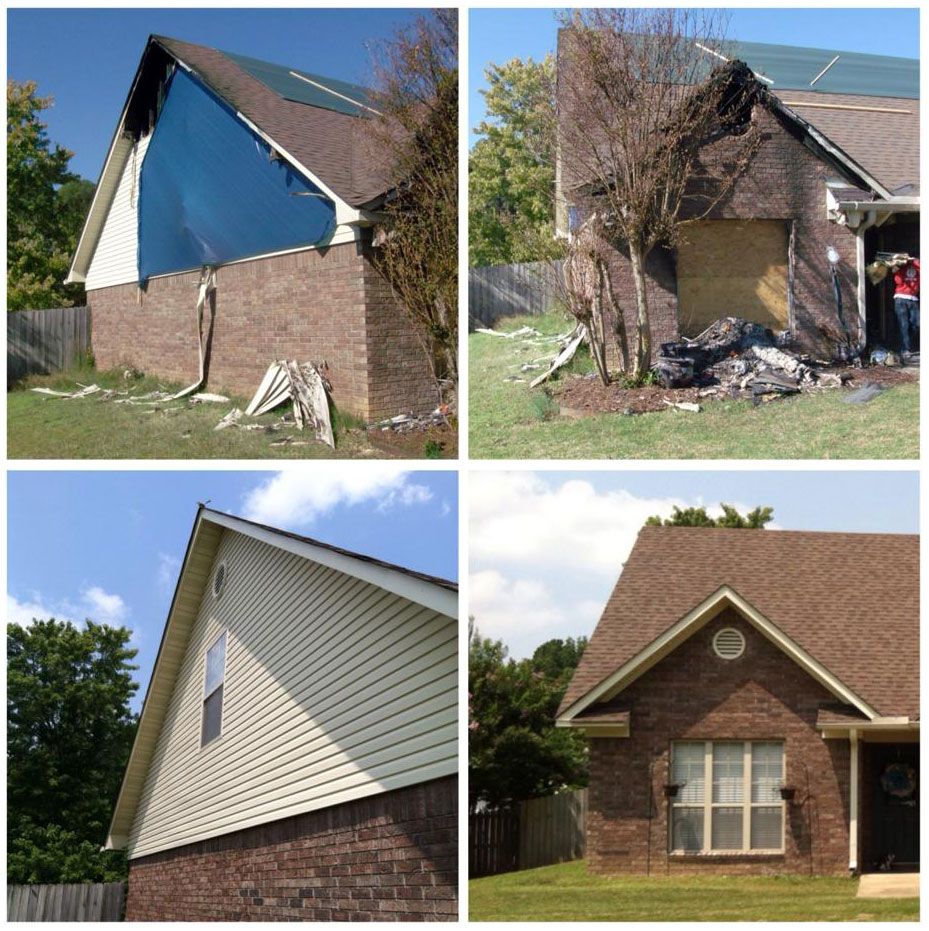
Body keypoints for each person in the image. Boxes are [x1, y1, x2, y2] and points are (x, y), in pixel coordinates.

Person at [893, 256, 919, 356]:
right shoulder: (900, 267)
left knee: (917, 324)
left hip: (913, 299)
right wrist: (902, 265)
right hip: (901, 298)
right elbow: (898, 281)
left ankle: (906, 345)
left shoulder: (918, 268)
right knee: (904, 325)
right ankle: (905, 349)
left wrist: (914, 261)